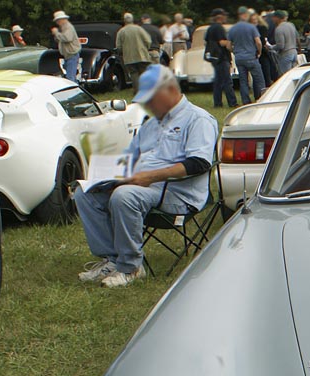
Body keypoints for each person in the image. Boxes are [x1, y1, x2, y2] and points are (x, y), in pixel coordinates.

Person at [75, 66, 217, 288]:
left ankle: (131, 267)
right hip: (142, 184)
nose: (147, 105)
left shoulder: (198, 119)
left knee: (124, 196)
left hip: (178, 192)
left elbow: (199, 163)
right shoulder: (150, 124)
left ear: (169, 91)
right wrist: (102, 174)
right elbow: (129, 158)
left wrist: (150, 176)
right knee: (85, 194)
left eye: (151, 99)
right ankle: (112, 259)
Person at [230, 7, 265, 103]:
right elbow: (258, 42)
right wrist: (259, 51)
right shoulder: (251, 27)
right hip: (251, 57)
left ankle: (245, 101)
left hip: (239, 58)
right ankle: (262, 98)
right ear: (245, 15)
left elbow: (229, 44)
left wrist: (234, 51)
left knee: (243, 81)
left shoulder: (233, 28)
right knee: (259, 79)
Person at [204, 8, 236, 108]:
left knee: (218, 81)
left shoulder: (210, 28)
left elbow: (206, 41)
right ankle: (232, 102)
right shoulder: (219, 28)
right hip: (222, 57)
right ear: (219, 17)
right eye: (224, 15)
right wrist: (231, 43)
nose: (225, 17)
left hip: (214, 57)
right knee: (227, 81)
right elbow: (222, 42)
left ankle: (217, 103)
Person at [116, 12, 153, 90]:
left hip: (129, 57)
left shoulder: (121, 31)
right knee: (143, 73)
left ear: (124, 20)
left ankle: (137, 91)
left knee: (134, 74)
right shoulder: (139, 29)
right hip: (142, 55)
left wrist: (122, 52)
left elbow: (118, 46)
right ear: (132, 20)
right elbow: (148, 41)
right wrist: (146, 48)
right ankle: (146, 90)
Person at [52, 11, 81, 82]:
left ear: (62, 19)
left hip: (72, 54)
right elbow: (60, 40)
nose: (57, 22)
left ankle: (74, 91)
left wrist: (56, 33)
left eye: (58, 20)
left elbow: (67, 38)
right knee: (70, 76)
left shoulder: (68, 27)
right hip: (68, 55)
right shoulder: (64, 28)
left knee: (70, 78)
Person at [270, 10, 298, 76]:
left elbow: (281, 45)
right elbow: (297, 38)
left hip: (286, 54)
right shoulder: (291, 25)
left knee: (285, 77)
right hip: (294, 52)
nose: (272, 19)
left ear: (277, 18)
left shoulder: (279, 29)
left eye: (273, 17)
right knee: (293, 75)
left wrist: (271, 47)